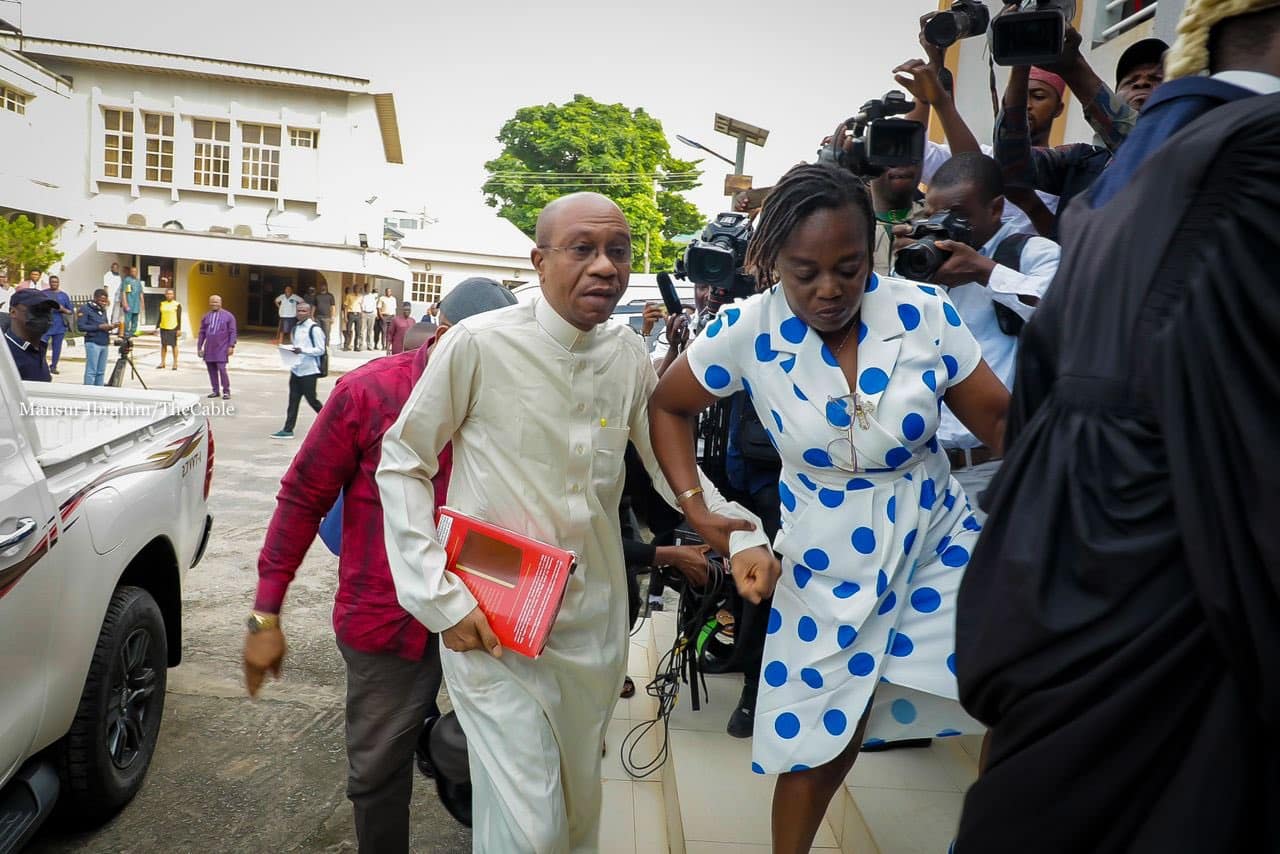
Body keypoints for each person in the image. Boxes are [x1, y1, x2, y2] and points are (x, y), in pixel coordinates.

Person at [954, 3, 1280, 852]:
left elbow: (1040, 403)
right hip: (1183, 624)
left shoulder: (1127, 180)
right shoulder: (1261, 161)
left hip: (1060, 591)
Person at [376, 192, 776, 852]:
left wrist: (743, 534)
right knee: (530, 824)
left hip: (591, 627)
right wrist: (437, 598)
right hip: (488, 622)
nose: (604, 266)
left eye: (617, 251)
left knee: (574, 811)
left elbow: (671, 471)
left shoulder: (624, 355)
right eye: (582, 249)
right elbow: (403, 460)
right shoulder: (479, 344)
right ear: (539, 261)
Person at [648, 163, 1010, 854]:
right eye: (804, 271)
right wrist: (703, 512)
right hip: (824, 560)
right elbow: (668, 405)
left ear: (871, 247)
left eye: (847, 267)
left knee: (1011, 684)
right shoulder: (747, 328)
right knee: (819, 746)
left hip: (936, 536)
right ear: (772, 259)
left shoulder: (923, 313)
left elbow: (1004, 423)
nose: (828, 290)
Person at [245, 277, 517, 854]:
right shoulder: (370, 393)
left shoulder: (512, 403)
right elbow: (301, 498)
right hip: (386, 619)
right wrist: (265, 616)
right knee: (374, 774)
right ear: (444, 337)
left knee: (495, 753)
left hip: (489, 619)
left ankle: (434, 744)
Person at [894, 153, 1059, 512]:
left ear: (996, 208)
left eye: (957, 216)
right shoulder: (924, 260)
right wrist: (897, 269)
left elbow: (1065, 315)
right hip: (922, 470)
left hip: (995, 469)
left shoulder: (1033, 254)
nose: (944, 226)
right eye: (933, 214)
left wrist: (985, 272)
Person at [271, 302, 325, 440]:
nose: (300, 313)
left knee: (312, 400)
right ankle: (288, 430)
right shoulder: (295, 328)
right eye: (299, 310)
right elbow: (296, 346)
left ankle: (332, 422)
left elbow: (320, 350)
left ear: (309, 312)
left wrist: (303, 351)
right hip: (296, 369)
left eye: (303, 311)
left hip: (309, 371)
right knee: (293, 401)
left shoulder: (314, 329)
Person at [5, 288, 59, 382]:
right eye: (36, 310)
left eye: (47, 310)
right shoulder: (5, 354)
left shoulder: (38, 349)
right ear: (13, 312)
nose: (44, 316)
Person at [198, 294, 237, 400]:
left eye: (216, 302)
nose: (214, 304)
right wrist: (199, 347)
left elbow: (232, 332)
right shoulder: (206, 316)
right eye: (212, 302)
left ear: (221, 303)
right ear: (209, 303)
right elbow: (202, 332)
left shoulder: (229, 316)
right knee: (211, 370)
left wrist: (231, 345)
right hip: (209, 348)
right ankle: (215, 390)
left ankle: (226, 391)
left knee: (222, 369)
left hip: (222, 348)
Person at [39, 274, 74, 375]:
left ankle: (54, 366)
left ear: (59, 283)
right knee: (42, 345)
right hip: (46, 324)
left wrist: (62, 309)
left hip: (59, 325)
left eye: (56, 282)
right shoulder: (43, 293)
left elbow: (70, 311)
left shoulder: (64, 295)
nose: (54, 284)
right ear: (49, 283)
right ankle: (41, 365)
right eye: (52, 282)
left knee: (57, 347)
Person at [78, 288, 113, 386]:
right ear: (95, 298)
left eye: (105, 301)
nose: (103, 303)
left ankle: (99, 391)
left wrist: (111, 326)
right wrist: (98, 327)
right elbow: (81, 327)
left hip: (104, 342)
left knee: (101, 372)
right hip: (93, 342)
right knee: (91, 371)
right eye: (101, 301)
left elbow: (104, 324)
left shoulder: (103, 310)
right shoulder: (85, 309)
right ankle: (89, 391)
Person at [157, 286, 182, 370]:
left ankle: (175, 363)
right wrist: (157, 326)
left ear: (173, 295)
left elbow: (179, 318)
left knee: (174, 345)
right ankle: (162, 362)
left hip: (173, 327)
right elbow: (160, 316)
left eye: (171, 294)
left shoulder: (177, 305)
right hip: (163, 326)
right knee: (163, 345)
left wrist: (179, 329)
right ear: (165, 295)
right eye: (167, 294)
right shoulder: (162, 304)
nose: (169, 295)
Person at [121, 266, 143, 338]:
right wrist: (125, 303)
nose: (134, 273)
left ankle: (133, 331)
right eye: (132, 271)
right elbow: (124, 292)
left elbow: (140, 293)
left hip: (136, 303)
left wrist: (142, 303)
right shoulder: (127, 280)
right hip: (129, 302)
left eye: (135, 271)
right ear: (130, 272)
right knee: (127, 318)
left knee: (135, 318)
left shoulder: (138, 281)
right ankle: (126, 332)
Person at [313, 282, 337, 346]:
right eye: (322, 286)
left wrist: (333, 317)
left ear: (326, 287)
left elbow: (333, 307)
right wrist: (312, 315)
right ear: (320, 287)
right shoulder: (317, 295)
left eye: (324, 286)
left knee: (326, 334)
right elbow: (314, 306)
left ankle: (326, 348)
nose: (323, 287)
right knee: (317, 333)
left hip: (327, 318)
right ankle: (318, 347)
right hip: (317, 317)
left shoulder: (330, 296)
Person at [376, 287, 397, 351]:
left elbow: (394, 308)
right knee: (384, 332)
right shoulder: (382, 298)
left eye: (390, 291)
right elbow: (378, 308)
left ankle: (388, 346)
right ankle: (383, 346)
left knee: (390, 332)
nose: (388, 293)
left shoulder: (393, 299)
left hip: (392, 317)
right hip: (384, 316)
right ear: (385, 292)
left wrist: (395, 317)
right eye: (387, 291)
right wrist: (381, 316)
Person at [359, 284, 377, 352]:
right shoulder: (362, 296)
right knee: (362, 330)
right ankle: (360, 345)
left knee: (370, 331)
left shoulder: (373, 296)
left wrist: (375, 314)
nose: (368, 289)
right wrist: (361, 312)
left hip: (371, 314)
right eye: (366, 288)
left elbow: (374, 305)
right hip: (364, 313)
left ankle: (369, 345)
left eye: (369, 288)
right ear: (364, 288)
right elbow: (360, 304)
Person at [343, 285, 360, 351]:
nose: (357, 290)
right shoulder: (349, 296)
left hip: (358, 315)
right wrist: (345, 316)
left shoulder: (360, 297)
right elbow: (345, 307)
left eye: (358, 289)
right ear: (353, 289)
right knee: (348, 331)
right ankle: (346, 346)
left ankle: (356, 347)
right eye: (356, 288)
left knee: (358, 332)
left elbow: (361, 306)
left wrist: (361, 315)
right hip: (351, 314)